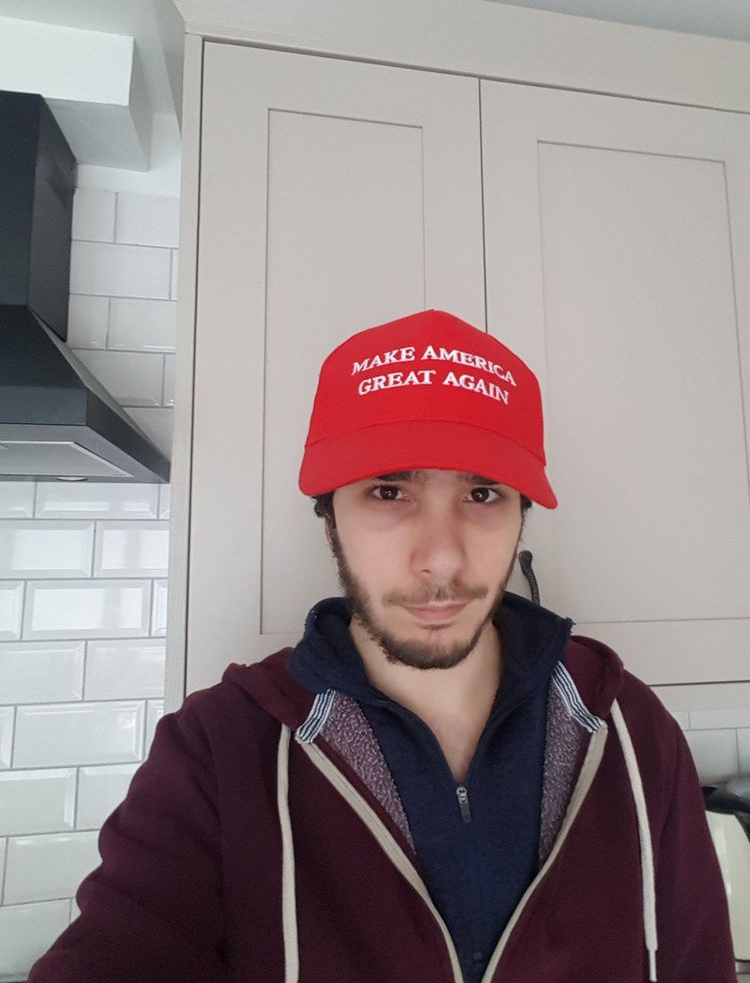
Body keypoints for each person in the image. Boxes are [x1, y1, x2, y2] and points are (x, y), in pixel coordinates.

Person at [29, 309, 735, 983]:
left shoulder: (630, 731)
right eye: (390, 491)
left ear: (522, 512)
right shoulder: (220, 752)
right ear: (329, 516)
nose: (442, 561)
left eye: (483, 493)